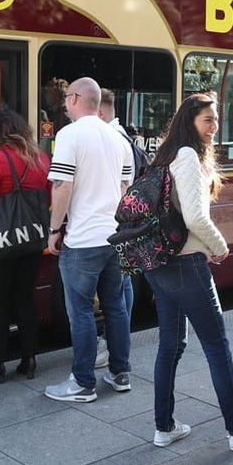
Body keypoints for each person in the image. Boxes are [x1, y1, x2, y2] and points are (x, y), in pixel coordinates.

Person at [144, 92, 233, 451]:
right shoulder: (187, 156)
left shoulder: (168, 154)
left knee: (170, 344)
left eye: (216, 119)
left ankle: (164, 426)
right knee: (217, 346)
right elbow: (195, 217)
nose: (214, 127)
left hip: (162, 263)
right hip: (186, 263)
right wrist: (219, 247)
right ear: (190, 122)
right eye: (208, 120)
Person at [44, 77, 135, 402]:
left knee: (80, 310)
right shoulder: (118, 140)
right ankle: (120, 372)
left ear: (73, 99)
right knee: (116, 307)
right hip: (115, 237)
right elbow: (126, 191)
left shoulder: (69, 135)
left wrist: (55, 231)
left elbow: (62, 186)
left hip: (83, 240)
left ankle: (82, 382)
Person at [0, 109, 51, 383]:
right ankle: (29, 360)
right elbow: (47, 195)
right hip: (31, 239)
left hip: (1, 242)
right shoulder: (41, 158)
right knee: (25, 298)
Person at [95, 88, 150, 369]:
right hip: (127, 223)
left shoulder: (112, 140)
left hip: (119, 224)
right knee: (124, 284)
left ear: (101, 113)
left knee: (119, 290)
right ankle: (119, 340)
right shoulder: (123, 137)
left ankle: (113, 343)